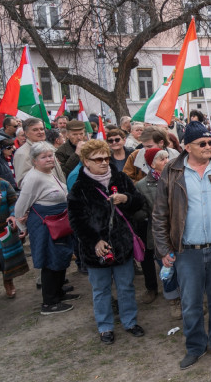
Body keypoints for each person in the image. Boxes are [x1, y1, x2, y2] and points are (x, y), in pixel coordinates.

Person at [152, 121, 211, 370]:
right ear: (187, 147)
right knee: (191, 304)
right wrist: (163, 249)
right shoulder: (172, 171)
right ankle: (195, 347)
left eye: (210, 142)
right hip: (186, 251)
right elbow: (160, 214)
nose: (208, 147)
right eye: (202, 143)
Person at [68, 139, 145, 344]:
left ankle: (130, 321)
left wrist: (126, 199)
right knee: (101, 289)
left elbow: (139, 202)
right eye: (98, 159)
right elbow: (76, 221)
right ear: (86, 161)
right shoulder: (79, 187)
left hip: (122, 245)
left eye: (106, 158)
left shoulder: (120, 178)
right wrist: (95, 242)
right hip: (96, 251)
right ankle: (105, 327)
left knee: (126, 286)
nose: (104, 162)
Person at [15, 142, 78, 314]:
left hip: (58, 220)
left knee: (60, 255)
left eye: (50, 155)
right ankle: (49, 302)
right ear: (34, 161)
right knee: (50, 259)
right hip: (45, 223)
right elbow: (21, 206)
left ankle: (58, 292)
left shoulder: (48, 173)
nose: (49, 159)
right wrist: (22, 226)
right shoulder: (33, 178)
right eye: (44, 157)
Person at [134, 148, 176, 312]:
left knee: (185, 270)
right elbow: (141, 212)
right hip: (160, 234)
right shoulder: (143, 185)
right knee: (168, 270)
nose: (166, 161)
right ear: (152, 164)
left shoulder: (177, 177)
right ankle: (174, 301)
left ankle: (189, 299)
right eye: (162, 159)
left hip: (181, 232)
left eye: (167, 158)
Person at [15, 118, 65, 186]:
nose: (40, 132)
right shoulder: (23, 153)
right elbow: (23, 182)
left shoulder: (48, 148)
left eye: (41, 129)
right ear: (26, 133)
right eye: (35, 130)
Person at [0, 176, 26, 298]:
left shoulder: (3, 184)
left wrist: (13, 215)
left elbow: (14, 202)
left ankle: (8, 280)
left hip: (4, 231)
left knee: (5, 259)